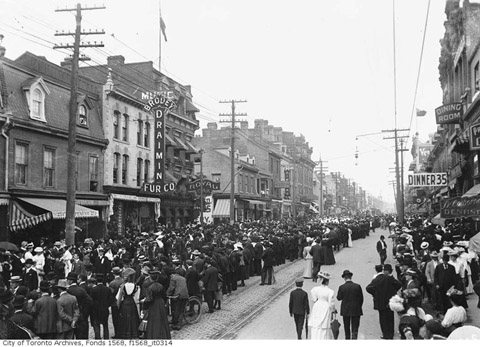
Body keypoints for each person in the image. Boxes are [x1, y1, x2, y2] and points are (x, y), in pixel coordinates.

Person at [366, 263, 402, 339]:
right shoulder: (390, 278)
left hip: (380, 301)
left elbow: (368, 288)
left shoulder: (376, 279)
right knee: (390, 317)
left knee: (382, 318)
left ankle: (385, 334)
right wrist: (393, 291)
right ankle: (391, 333)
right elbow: (399, 284)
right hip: (389, 301)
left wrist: (375, 294)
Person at [142, 270, 171, 339]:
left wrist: (144, 302)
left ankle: (154, 335)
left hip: (154, 305)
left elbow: (149, 299)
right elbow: (165, 296)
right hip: (160, 303)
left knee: (154, 320)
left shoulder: (150, 288)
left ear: (151, 278)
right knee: (162, 319)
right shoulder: (161, 286)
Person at [308, 271, 336, 340]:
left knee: (316, 324)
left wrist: (316, 300)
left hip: (317, 305)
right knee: (324, 324)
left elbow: (314, 298)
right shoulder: (330, 291)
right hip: (325, 306)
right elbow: (331, 303)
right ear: (327, 281)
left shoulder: (315, 289)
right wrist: (333, 310)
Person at [336, 270, 363, 340]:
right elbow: (361, 298)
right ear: (351, 277)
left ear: (344, 278)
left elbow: (339, 298)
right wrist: (359, 306)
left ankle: (347, 338)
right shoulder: (357, 286)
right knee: (355, 326)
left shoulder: (342, 287)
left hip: (346, 309)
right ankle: (354, 338)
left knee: (346, 325)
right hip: (356, 308)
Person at [116, 269, 140, 339]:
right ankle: (133, 333)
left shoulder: (123, 286)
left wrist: (118, 306)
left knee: (125, 319)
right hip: (132, 303)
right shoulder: (136, 286)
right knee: (133, 318)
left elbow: (119, 297)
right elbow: (136, 297)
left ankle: (125, 333)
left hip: (125, 304)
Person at [90, 274, 114, 339]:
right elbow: (111, 300)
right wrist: (106, 305)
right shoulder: (107, 289)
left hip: (96, 310)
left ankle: (98, 338)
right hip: (104, 309)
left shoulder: (93, 289)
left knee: (96, 325)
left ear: (96, 281)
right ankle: (106, 338)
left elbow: (91, 300)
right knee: (105, 325)